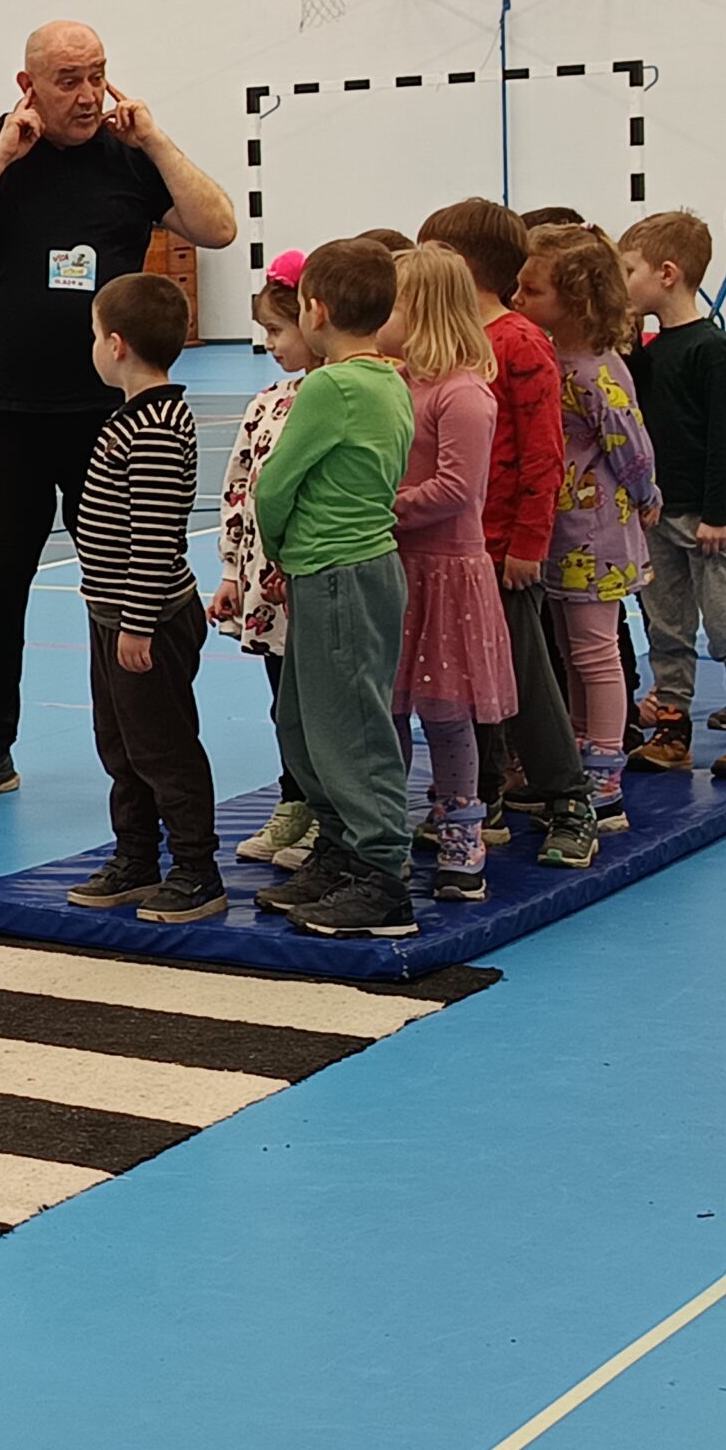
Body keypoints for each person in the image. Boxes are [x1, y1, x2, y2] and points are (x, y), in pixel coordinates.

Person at [0, 20, 238, 806]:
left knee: (130, 585)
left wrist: (155, 141)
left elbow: (218, 227)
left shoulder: (129, 157)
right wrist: (1, 156)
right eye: (68, 80)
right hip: (2, 410)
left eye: (97, 75)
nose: (87, 95)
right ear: (28, 87)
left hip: (110, 418)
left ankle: (144, 747)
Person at [244, 239, 418, 940]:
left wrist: (279, 550)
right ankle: (342, 850)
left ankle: (382, 874)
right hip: (339, 571)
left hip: (340, 571)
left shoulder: (332, 387)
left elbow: (275, 485)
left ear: (314, 311)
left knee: (350, 729)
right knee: (303, 720)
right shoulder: (390, 379)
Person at [419, 199, 597, 866]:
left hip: (501, 550)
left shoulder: (518, 342)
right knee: (463, 680)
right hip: (452, 550)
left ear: (462, 267)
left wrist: (528, 542)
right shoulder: (448, 346)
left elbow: (544, 452)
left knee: (524, 677)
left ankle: (569, 799)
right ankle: (483, 791)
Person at [65, 274, 224, 922]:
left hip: (147, 620)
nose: (93, 348)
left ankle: (196, 869)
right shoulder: (132, 416)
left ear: (117, 345)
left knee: (163, 748)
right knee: (120, 744)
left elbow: (155, 536)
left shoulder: (154, 426)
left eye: (94, 335)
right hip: (112, 614)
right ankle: (136, 856)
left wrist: (138, 624)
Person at [619, 210, 726, 780]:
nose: (624, 283)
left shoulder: (713, 350)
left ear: (667, 274)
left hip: (707, 518)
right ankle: (672, 726)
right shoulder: (648, 352)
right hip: (658, 513)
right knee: (666, 627)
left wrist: (717, 513)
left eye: (629, 271)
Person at [515, 225, 659, 847]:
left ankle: (604, 774)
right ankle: (578, 758)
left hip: (595, 535)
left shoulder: (595, 373)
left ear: (574, 301)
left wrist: (647, 496)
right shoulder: (554, 362)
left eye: (532, 291)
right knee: (571, 651)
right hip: (562, 531)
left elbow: (632, 448)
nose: (518, 299)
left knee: (596, 653)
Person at [381, 246, 516, 900]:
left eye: (392, 306)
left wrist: (382, 508)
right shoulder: (395, 384)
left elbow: (457, 489)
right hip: (396, 568)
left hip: (445, 574)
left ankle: (462, 829)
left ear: (422, 312)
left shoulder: (463, 394)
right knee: (388, 705)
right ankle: (385, 829)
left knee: (445, 710)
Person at [216, 250, 316, 869]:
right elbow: (238, 488)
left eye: (279, 331)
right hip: (266, 587)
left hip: (315, 580)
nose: (271, 345)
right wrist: (232, 571)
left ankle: (328, 811)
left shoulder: (335, 398)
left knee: (322, 705)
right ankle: (295, 800)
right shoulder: (267, 402)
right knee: (284, 704)